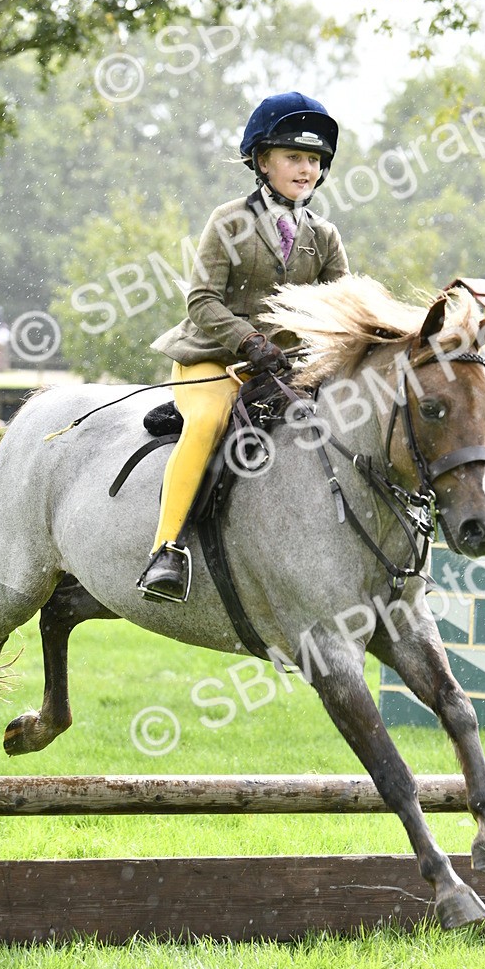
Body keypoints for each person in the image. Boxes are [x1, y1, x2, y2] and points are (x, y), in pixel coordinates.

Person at [137, 91, 349, 602]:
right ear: (262, 161)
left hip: (282, 371)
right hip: (211, 358)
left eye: (314, 160)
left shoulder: (324, 236)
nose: (306, 169)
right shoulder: (229, 221)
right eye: (294, 157)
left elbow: (342, 308)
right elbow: (201, 300)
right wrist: (250, 340)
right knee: (210, 423)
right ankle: (165, 550)